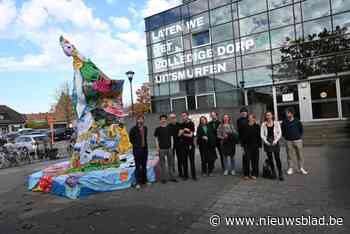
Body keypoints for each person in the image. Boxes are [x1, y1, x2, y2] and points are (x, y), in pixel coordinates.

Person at [282, 108, 308, 175]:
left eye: (287, 113)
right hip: (288, 141)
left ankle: (301, 168)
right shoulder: (284, 122)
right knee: (289, 155)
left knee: (300, 155)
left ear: (291, 113)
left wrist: (298, 136)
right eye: (286, 113)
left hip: (298, 140)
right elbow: (283, 131)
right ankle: (290, 168)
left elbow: (301, 129)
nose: (286, 114)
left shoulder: (297, 121)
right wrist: (286, 137)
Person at [154, 114, 178, 184]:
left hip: (169, 148)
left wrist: (172, 145)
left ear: (166, 120)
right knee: (162, 164)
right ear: (160, 120)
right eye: (162, 119)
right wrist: (157, 147)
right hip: (161, 149)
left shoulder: (169, 128)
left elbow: (171, 137)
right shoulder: (157, 129)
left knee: (171, 163)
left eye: (164, 119)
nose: (163, 120)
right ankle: (163, 178)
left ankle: (172, 177)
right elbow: (156, 138)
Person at [261, 111, 284, 181]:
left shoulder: (276, 123)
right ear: (265, 117)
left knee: (277, 158)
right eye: (267, 115)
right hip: (267, 142)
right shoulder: (263, 124)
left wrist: (276, 141)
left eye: (269, 115)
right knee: (270, 158)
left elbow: (280, 133)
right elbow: (262, 134)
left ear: (272, 116)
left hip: (275, 142)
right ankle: (273, 172)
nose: (268, 117)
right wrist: (266, 142)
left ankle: (280, 173)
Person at [129, 115, 149, 189]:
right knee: (137, 167)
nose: (140, 120)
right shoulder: (133, 129)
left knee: (144, 166)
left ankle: (145, 181)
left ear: (143, 120)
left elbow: (145, 138)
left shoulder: (145, 128)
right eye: (139, 119)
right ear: (137, 120)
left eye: (142, 119)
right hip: (137, 150)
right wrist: (136, 146)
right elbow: (131, 139)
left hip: (145, 150)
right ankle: (137, 182)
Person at [241, 114, 262, 180]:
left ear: (254, 119)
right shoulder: (244, 126)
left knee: (255, 160)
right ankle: (246, 174)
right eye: (249, 118)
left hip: (255, 145)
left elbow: (259, 136)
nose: (250, 119)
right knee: (246, 160)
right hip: (247, 146)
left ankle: (254, 174)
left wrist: (259, 145)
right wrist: (242, 146)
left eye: (251, 118)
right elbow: (242, 137)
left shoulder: (257, 126)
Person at [178, 111, 197, 181]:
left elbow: (191, 135)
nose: (183, 117)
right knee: (184, 161)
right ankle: (185, 176)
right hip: (183, 145)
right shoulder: (181, 124)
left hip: (190, 145)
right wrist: (185, 130)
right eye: (182, 116)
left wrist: (184, 133)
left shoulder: (191, 123)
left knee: (192, 161)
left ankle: (194, 176)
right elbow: (179, 135)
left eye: (185, 115)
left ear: (187, 116)